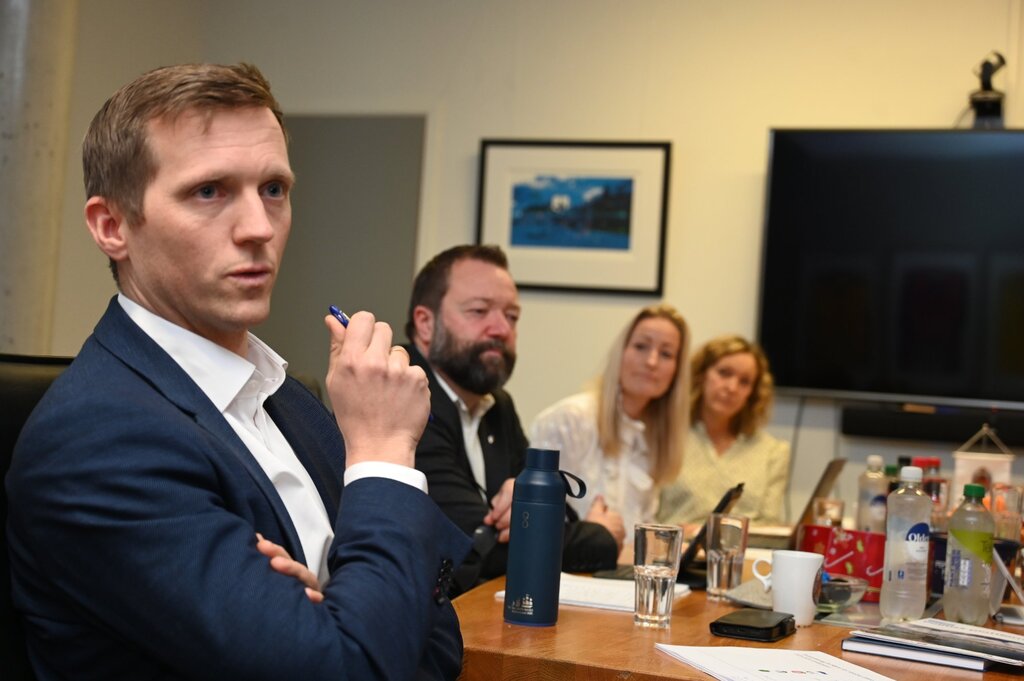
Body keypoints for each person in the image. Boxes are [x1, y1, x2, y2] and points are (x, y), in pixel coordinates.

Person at [6, 63, 468, 681]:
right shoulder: (94, 441)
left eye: (273, 189)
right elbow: (356, 667)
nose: (258, 228)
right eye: (209, 191)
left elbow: (433, 641)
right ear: (112, 226)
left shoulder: (287, 397)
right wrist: (383, 454)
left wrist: (341, 615)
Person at [404, 244, 623, 594]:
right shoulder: (402, 394)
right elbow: (477, 549)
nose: (501, 328)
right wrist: (601, 535)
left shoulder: (498, 406)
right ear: (426, 323)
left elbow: (557, 512)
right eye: (479, 311)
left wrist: (532, 513)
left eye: (512, 316)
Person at [530, 305, 690, 544]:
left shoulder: (654, 436)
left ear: (677, 371)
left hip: (624, 565)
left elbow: (638, 528)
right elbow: (534, 524)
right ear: (621, 352)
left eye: (666, 354)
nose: (652, 361)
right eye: (641, 346)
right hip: (569, 563)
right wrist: (590, 534)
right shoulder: (570, 419)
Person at [658, 334, 790, 526]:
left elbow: (770, 527)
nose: (732, 387)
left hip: (745, 545)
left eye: (744, 381)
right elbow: (645, 516)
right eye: (724, 373)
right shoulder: (665, 437)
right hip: (676, 543)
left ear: (753, 393)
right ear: (701, 375)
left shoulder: (773, 452)